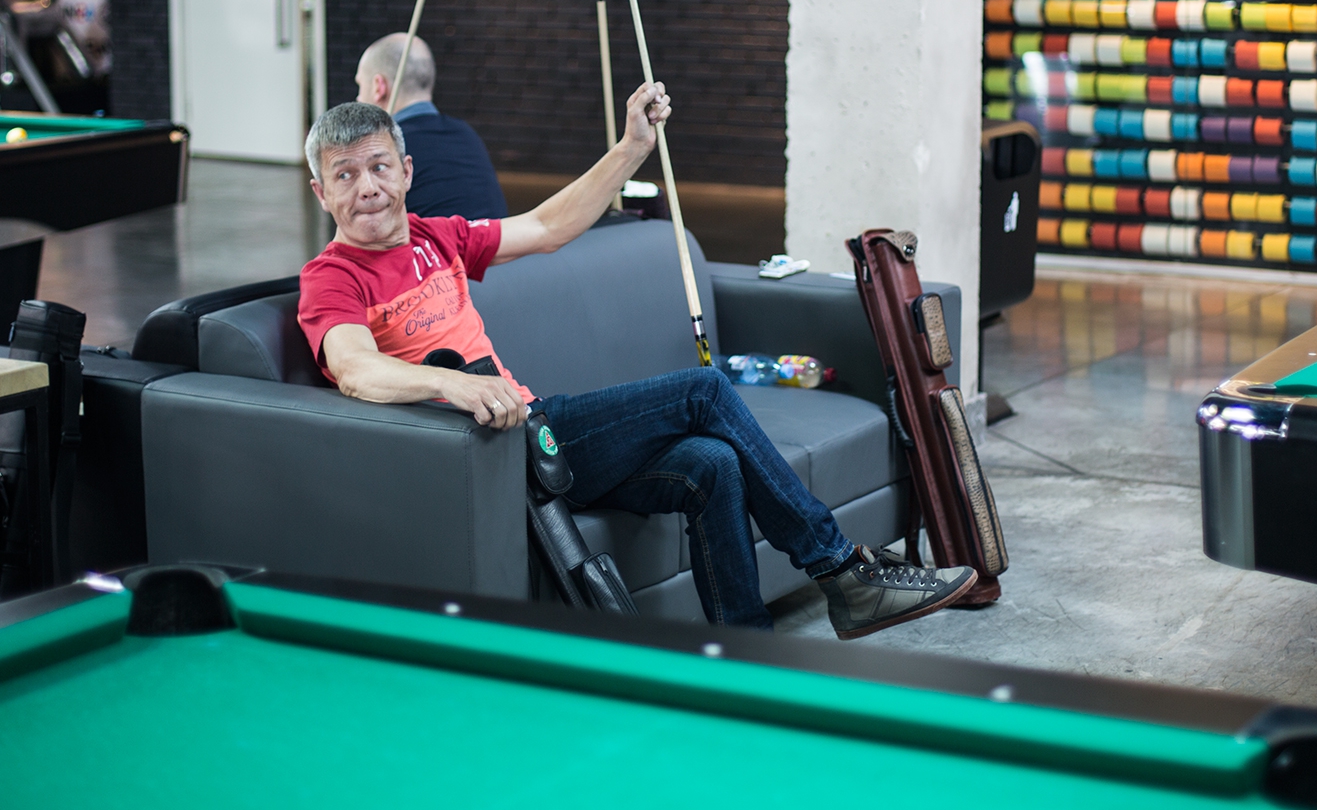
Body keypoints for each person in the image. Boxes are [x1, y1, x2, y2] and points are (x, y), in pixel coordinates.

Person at [296, 87, 977, 638]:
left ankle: (746, 655)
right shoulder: (331, 278)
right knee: (704, 392)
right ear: (322, 192)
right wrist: (454, 384)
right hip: (494, 450)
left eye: (379, 166)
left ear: (407, 172)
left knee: (711, 465)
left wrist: (631, 148)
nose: (367, 187)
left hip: (536, 440)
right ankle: (841, 570)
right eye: (344, 174)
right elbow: (355, 368)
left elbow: (549, 226)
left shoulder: (434, 238)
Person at [353, 32, 508, 220]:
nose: (358, 98)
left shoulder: (384, 150)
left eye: (360, 85)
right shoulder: (466, 134)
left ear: (379, 87)